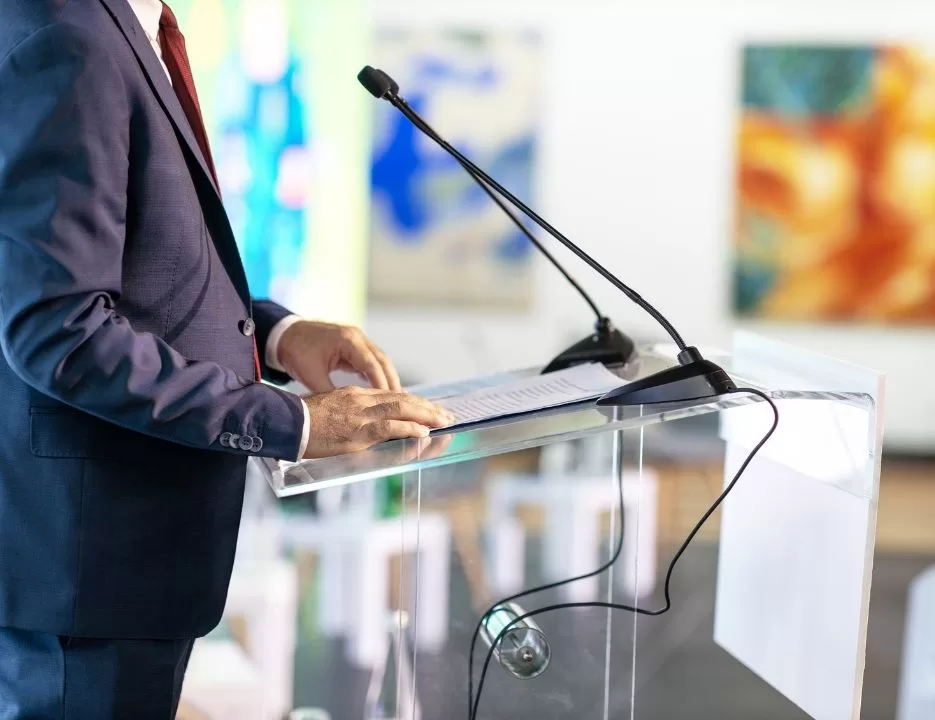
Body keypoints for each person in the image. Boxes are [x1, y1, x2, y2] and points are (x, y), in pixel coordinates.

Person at [0, 0, 453, 716]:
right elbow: (59, 329)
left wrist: (275, 334)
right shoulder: (71, 36)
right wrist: (295, 424)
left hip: (120, 566)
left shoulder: (116, 26)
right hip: (90, 572)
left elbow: (137, 266)